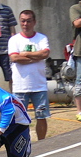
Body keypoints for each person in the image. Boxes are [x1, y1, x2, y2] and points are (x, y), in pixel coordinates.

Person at [7, 9, 50, 140]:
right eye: (23, 21)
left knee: (41, 116)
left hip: (39, 85)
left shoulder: (42, 38)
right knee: (19, 119)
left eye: (28, 21)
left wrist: (25, 54)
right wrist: (35, 57)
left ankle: (41, 143)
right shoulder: (14, 40)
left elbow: (45, 54)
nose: (25, 24)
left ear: (34, 22)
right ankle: (19, 145)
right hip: (20, 86)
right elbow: (14, 58)